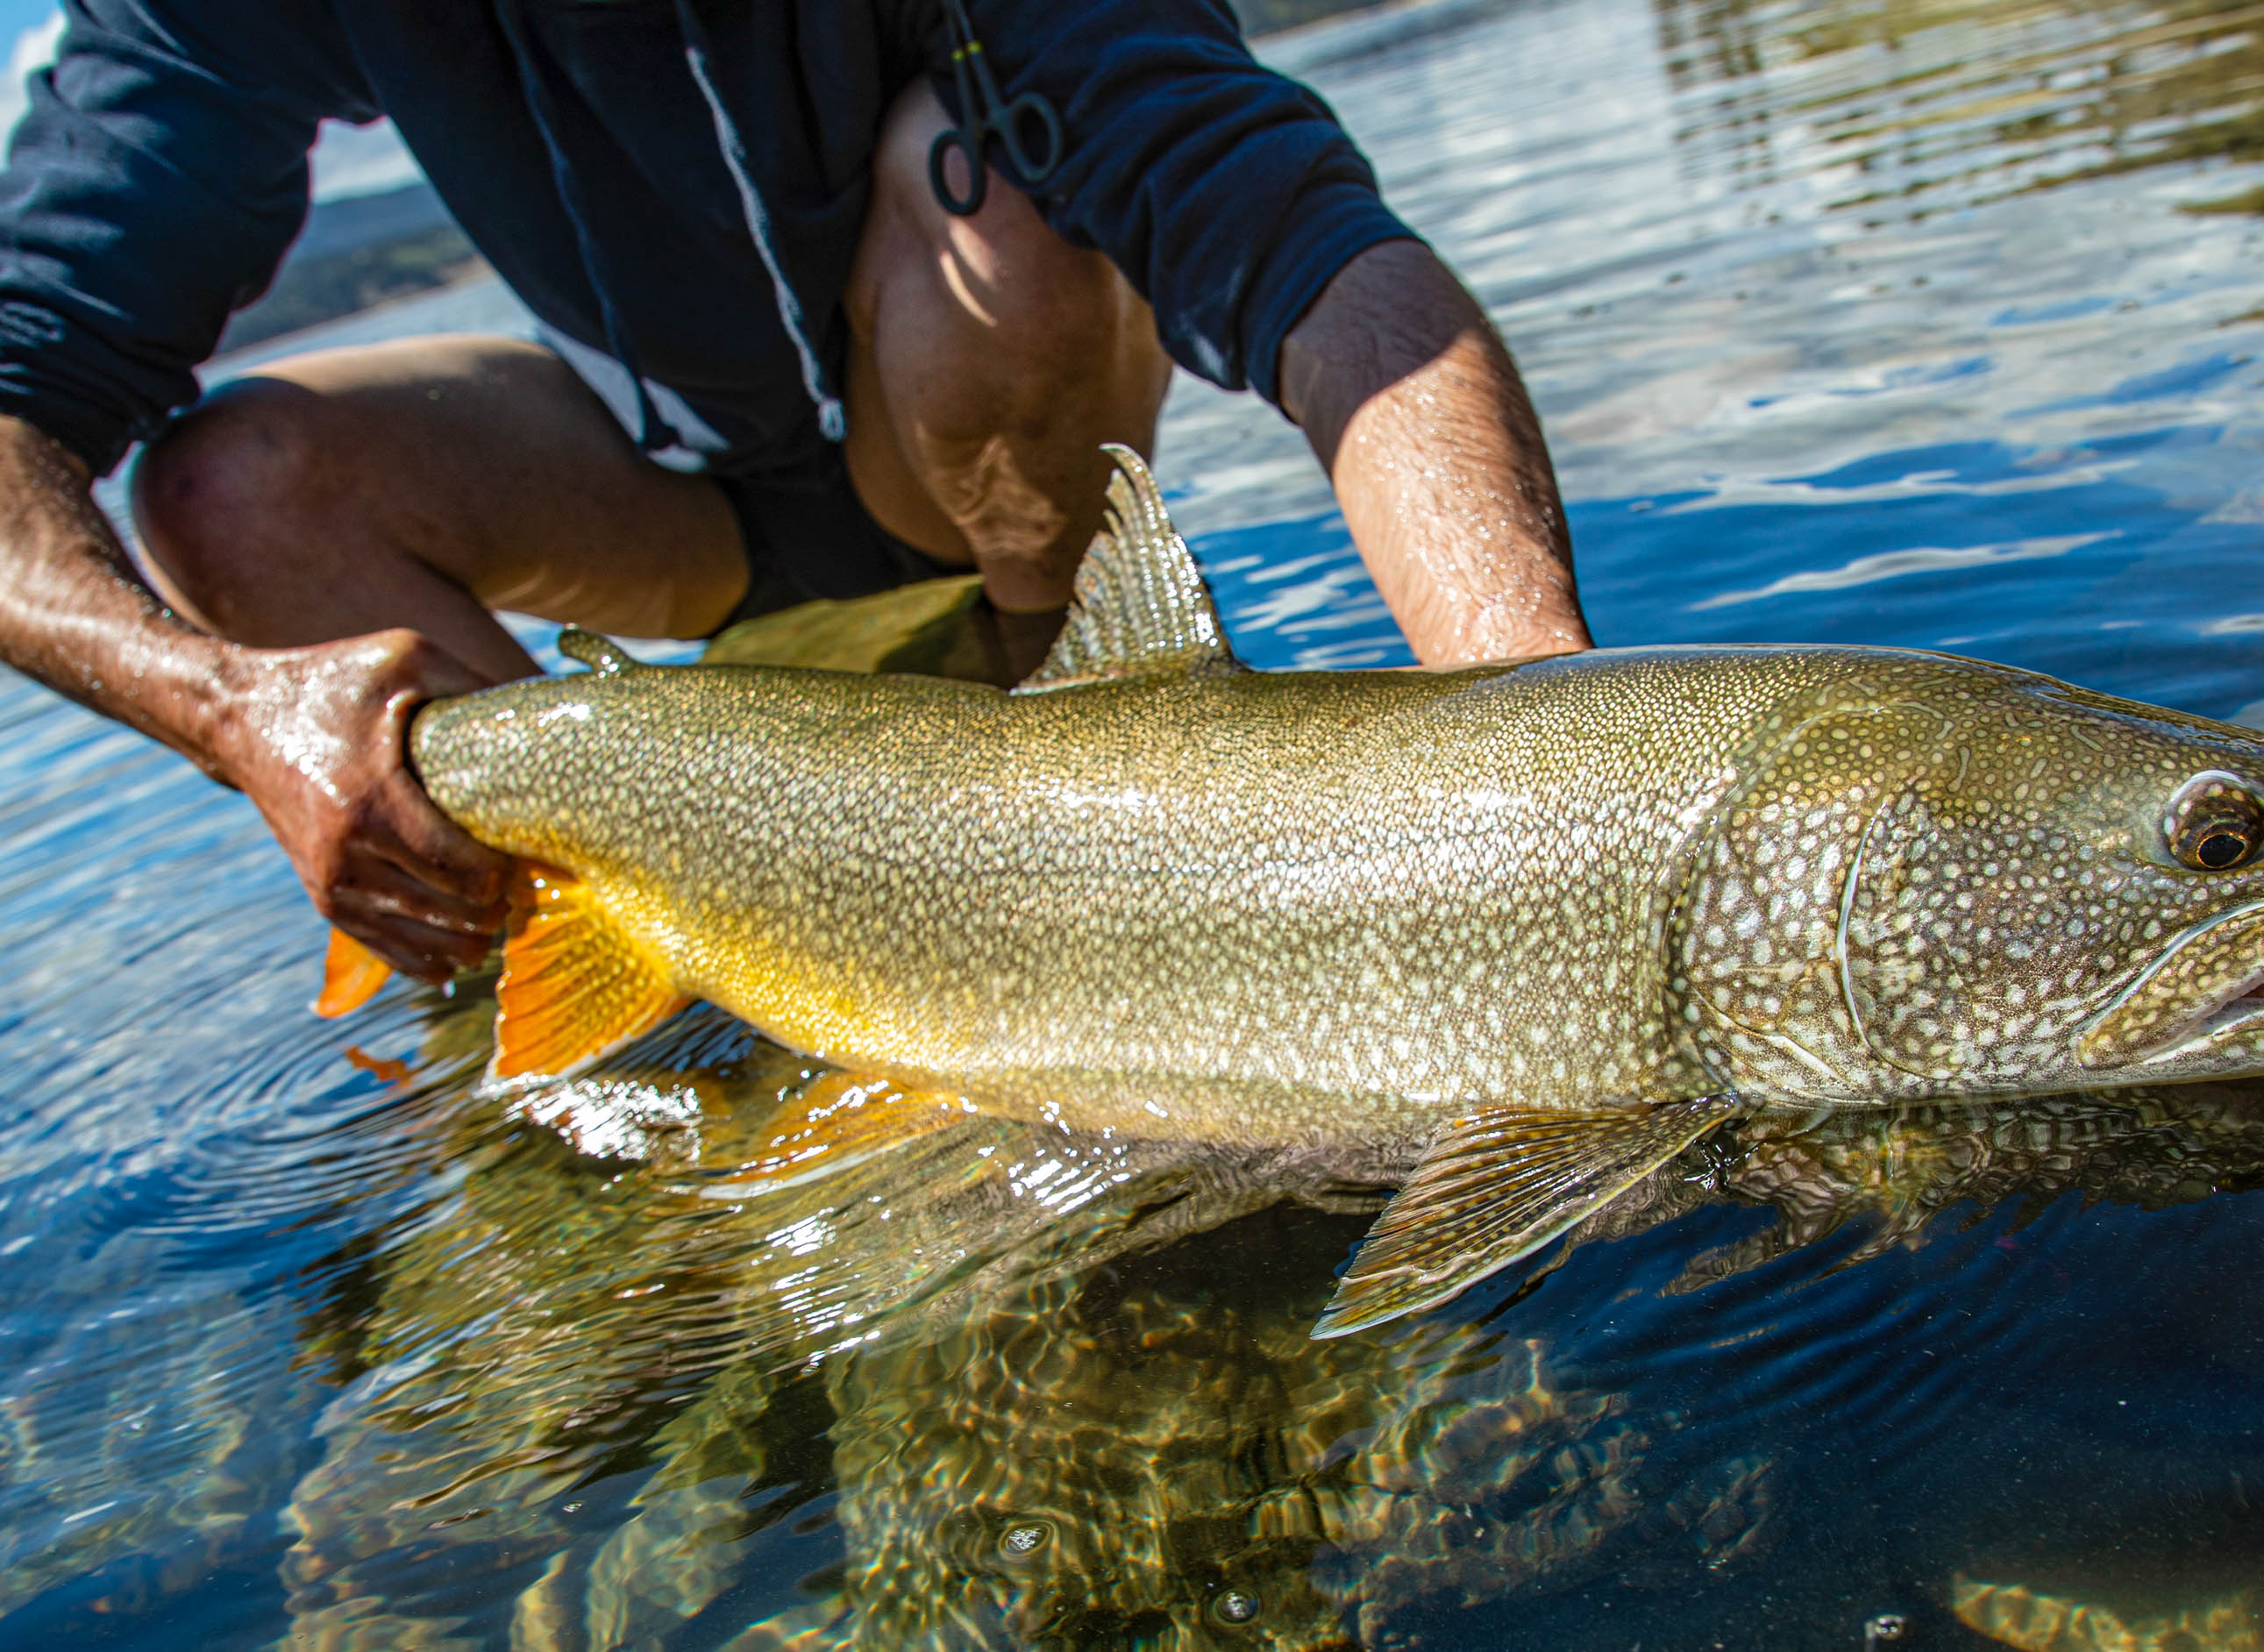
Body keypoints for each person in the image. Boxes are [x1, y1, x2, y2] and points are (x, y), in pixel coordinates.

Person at [0, 0, 1591, 988]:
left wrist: (1549, 748)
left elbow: (1308, 255)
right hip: (670, 492)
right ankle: (571, 938)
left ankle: (1043, 728)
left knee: (1007, 213)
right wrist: (228, 711)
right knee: (226, 496)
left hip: (938, 462)